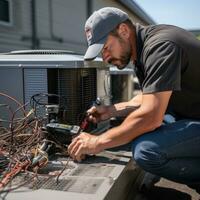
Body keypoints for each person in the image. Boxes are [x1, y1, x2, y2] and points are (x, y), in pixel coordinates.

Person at [68, 7, 200, 190]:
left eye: (106, 48)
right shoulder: (142, 49)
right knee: (133, 129)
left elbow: (151, 115)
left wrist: (97, 142)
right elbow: (150, 98)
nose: (105, 57)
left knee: (146, 150)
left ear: (123, 30)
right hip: (190, 115)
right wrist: (112, 111)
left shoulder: (161, 46)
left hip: (193, 118)